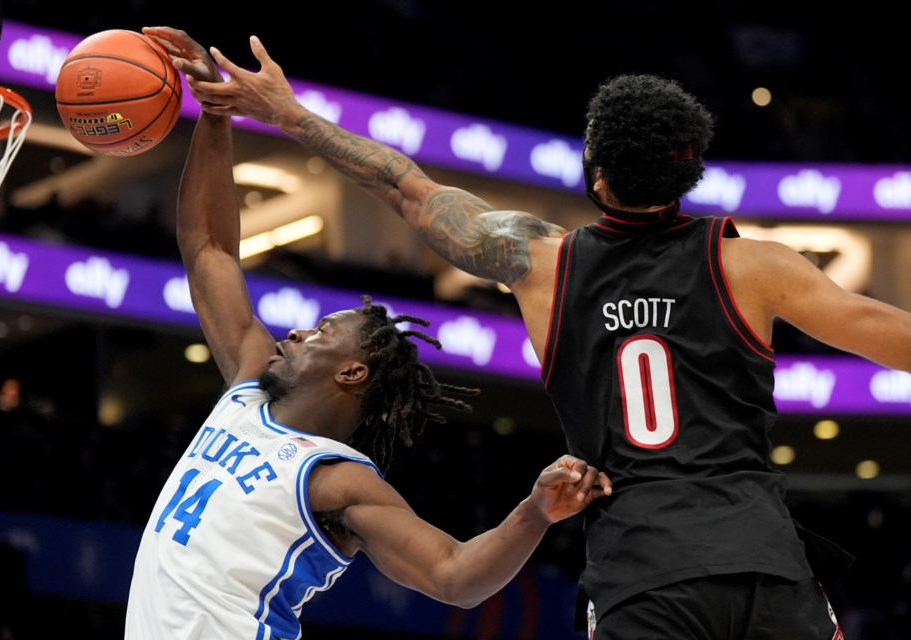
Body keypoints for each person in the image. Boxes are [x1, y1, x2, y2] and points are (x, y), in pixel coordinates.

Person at [157, 25, 911, 639]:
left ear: (596, 173)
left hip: (644, 565)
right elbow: (890, 335)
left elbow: (403, 187)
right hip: (764, 559)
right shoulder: (757, 267)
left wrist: (287, 113)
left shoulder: (542, 262)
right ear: (690, 174)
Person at [126, 28, 613, 640]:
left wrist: (536, 512)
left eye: (323, 330)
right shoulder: (249, 386)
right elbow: (209, 248)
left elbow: (453, 576)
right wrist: (214, 112)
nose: (298, 331)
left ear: (353, 373)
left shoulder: (338, 477)